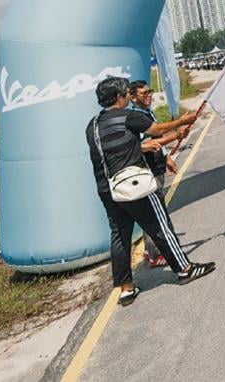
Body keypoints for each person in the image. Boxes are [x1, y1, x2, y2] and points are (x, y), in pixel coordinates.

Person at [85, 77, 214, 306]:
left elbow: (123, 148)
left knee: (119, 236)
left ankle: (126, 289)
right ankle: (184, 269)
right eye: (126, 93)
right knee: (160, 226)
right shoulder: (129, 116)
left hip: (108, 189)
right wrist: (183, 121)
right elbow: (157, 129)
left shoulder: (92, 125)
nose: (127, 96)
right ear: (119, 97)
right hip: (135, 185)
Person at [127, 80, 192, 268]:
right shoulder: (136, 117)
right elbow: (146, 144)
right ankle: (156, 254)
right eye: (143, 93)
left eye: (150, 92)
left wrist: (166, 159)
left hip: (157, 167)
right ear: (132, 97)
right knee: (155, 215)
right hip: (147, 172)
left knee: (155, 213)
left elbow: (156, 139)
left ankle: (151, 251)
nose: (148, 96)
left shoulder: (147, 112)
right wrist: (177, 133)